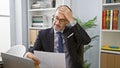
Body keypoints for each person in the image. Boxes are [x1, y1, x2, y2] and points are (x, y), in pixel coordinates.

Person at [24, 5, 91, 68]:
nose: (57, 22)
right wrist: (28, 54)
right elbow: (33, 51)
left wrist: (72, 20)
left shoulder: (73, 32)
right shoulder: (43, 34)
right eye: (56, 18)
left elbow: (86, 40)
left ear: (67, 21)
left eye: (61, 20)